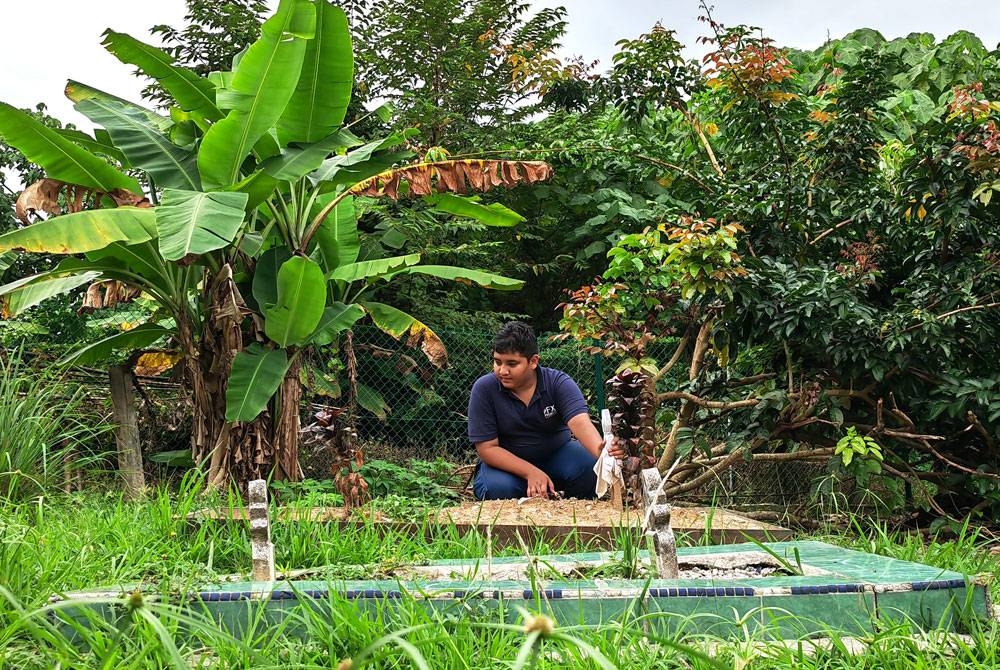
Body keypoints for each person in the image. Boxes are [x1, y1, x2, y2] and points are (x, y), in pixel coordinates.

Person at [467, 321, 618, 500]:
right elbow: (487, 449)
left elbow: (580, 422)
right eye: (497, 362)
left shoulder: (558, 383)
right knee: (496, 489)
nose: (502, 371)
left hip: (557, 454)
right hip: (507, 466)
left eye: (512, 364)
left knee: (591, 469)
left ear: (533, 361)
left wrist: (603, 452)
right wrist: (531, 472)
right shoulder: (484, 389)